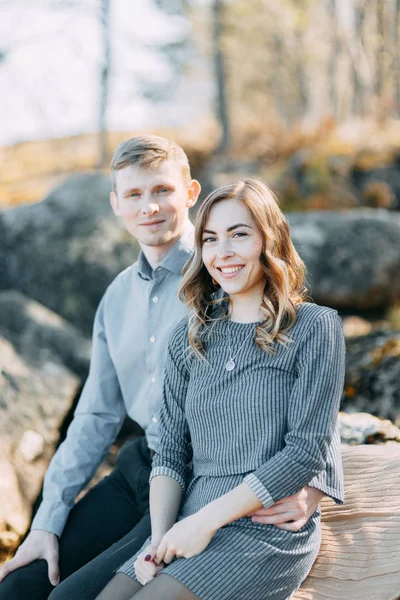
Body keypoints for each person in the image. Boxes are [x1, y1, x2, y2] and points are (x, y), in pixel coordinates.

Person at [0, 138, 339, 600]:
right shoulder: (116, 299)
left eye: (161, 190)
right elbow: (94, 418)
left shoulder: (228, 278)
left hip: (212, 480)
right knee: (20, 587)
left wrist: (316, 482)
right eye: (134, 195)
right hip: (150, 466)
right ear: (116, 204)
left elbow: (302, 395)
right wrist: (46, 522)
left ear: (190, 193)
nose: (150, 207)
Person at [96, 177, 345, 600]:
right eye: (209, 239)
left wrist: (205, 522)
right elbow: (171, 452)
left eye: (239, 235)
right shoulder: (187, 338)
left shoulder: (315, 327)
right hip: (189, 517)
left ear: (270, 239)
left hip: (264, 529)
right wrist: (161, 540)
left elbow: (307, 449)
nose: (222, 253)